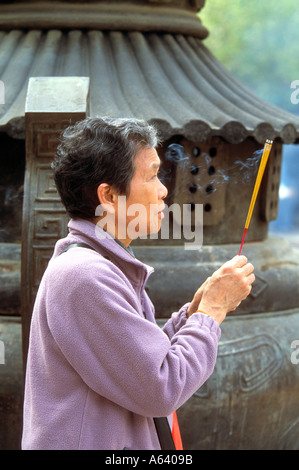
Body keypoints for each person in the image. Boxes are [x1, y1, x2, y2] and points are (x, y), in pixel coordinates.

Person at [22, 116, 255, 450]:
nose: (163, 191)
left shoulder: (101, 264)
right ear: (109, 195)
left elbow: (136, 364)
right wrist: (213, 311)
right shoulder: (85, 275)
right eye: (152, 175)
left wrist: (193, 313)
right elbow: (161, 387)